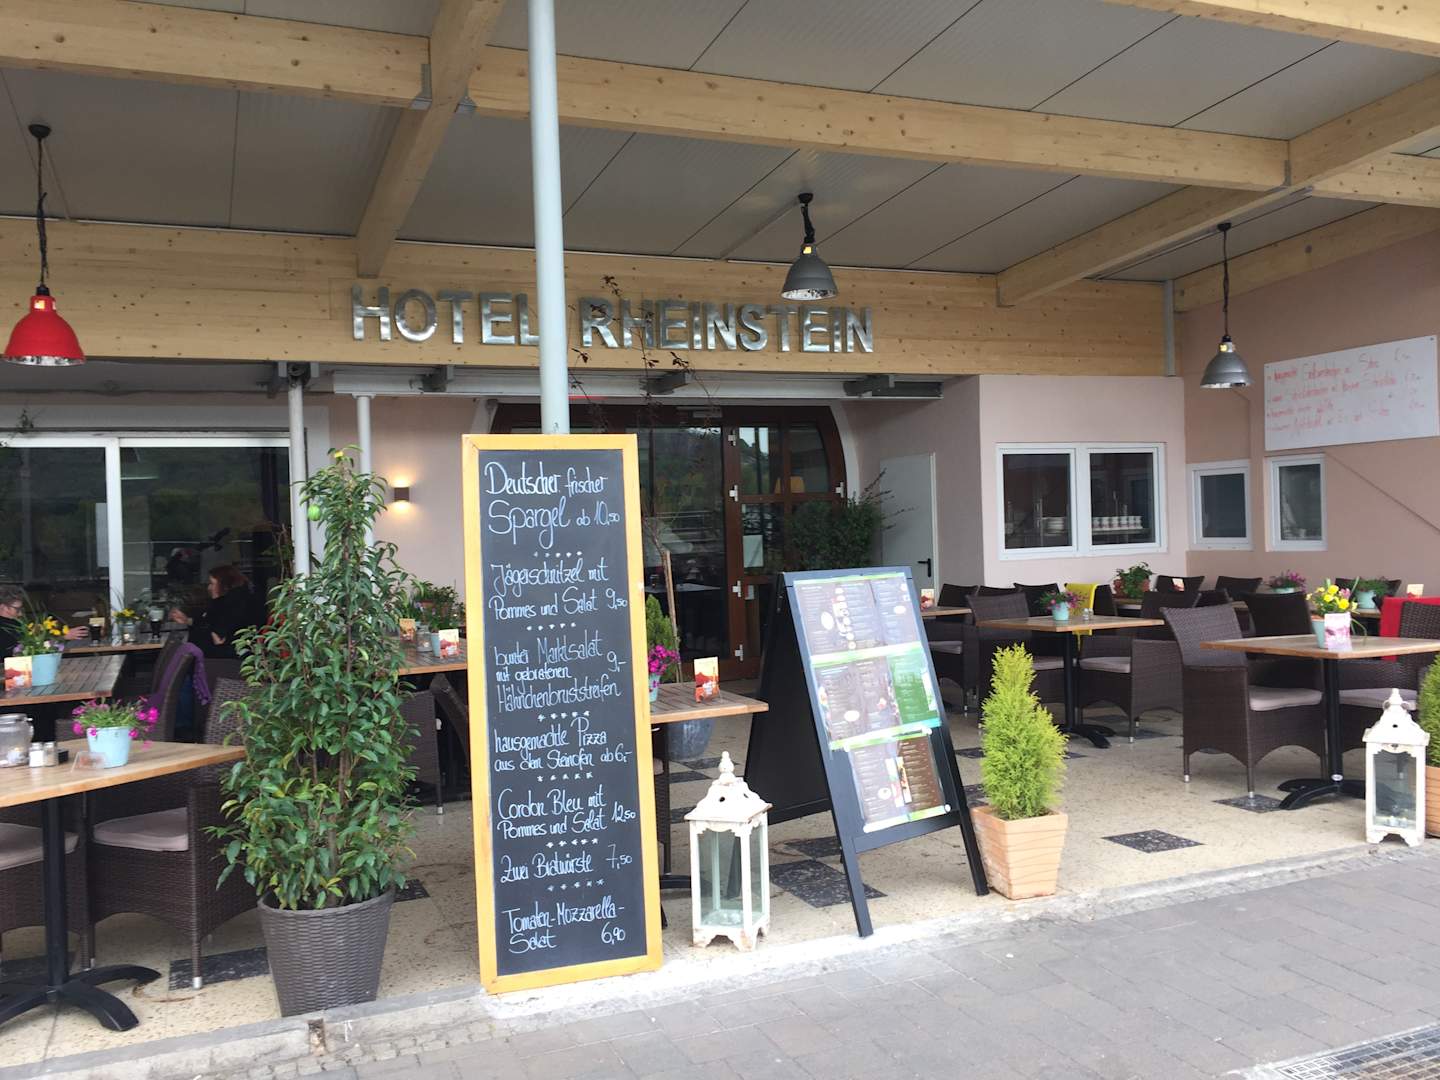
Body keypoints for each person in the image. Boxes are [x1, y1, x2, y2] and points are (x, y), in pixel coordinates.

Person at [168, 565, 259, 660]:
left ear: (224, 586)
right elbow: (209, 624)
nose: (209, 588)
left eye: (212, 584)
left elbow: (217, 638)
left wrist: (202, 629)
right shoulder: (230, 602)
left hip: (225, 661)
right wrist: (187, 621)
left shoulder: (231, 605)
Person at [0, 584, 89, 657]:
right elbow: (27, 648)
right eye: (17, 609)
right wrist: (63, 637)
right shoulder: (7, 627)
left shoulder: (14, 623)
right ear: (3, 607)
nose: (20, 613)